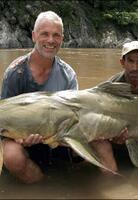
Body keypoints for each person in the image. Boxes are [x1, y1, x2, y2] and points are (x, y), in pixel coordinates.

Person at [1, 11, 78, 184]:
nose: (51, 40)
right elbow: (3, 123)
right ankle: (43, 187)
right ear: (34, 36)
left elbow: (74, 118)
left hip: (57, 137)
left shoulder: (68, 75)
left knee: (95, 141)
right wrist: (19, 138)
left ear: (62, 39)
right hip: (21, 139)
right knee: (12, 156)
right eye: (45, 34)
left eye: (56, 35)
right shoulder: (15, 73)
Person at [91, 41, 138, 173]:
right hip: (117, 141)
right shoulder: (112, 86)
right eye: (130, 61)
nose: (135, 67)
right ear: (122, 62)